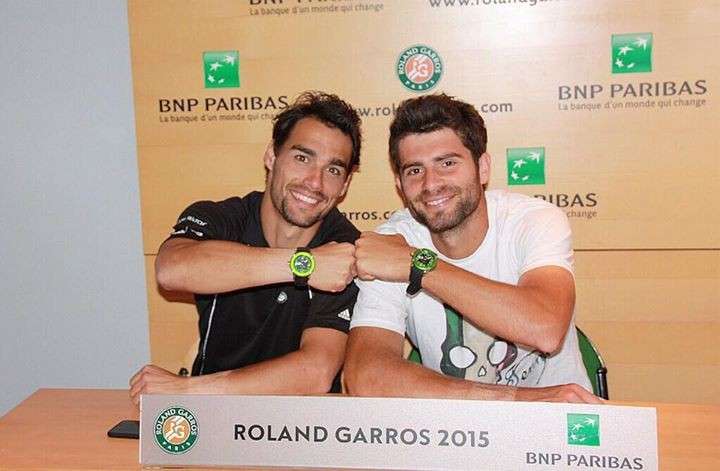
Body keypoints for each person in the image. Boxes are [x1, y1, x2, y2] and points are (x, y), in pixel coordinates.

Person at [344, 94, 601, 404]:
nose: (431, 184)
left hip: (561, 426)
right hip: (459, 432)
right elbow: (366, 378)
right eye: (414, 170)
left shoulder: (533, 220)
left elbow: (545, 329)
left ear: (482, 168)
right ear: (399, 184)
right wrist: (514, 399)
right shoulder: (393, 243)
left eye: (448, 163)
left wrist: (418, 265)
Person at [130, 91, 362, 404]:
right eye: (302, 158)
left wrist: (187, 390)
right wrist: (303, 265)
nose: (315, 182)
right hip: (213, 418)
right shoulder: (221, 218)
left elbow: (316, 372)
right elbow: (171, 270)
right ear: (271, 156)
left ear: (345, 185)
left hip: (304, 429)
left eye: (333, 170)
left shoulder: (346, 249)